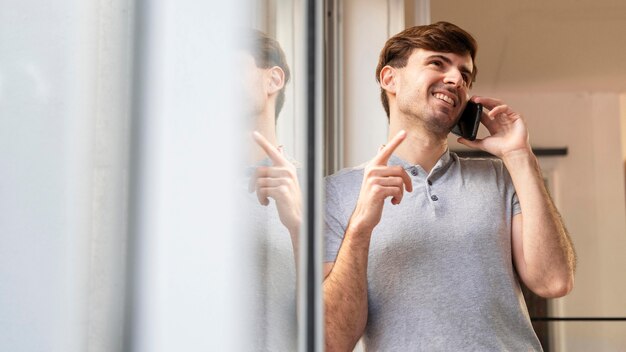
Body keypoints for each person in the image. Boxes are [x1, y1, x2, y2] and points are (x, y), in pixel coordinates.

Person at [323, 21, 576, 351]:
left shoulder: (499, 178)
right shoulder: (337, 192)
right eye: (437, 63)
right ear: (390, 79)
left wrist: (519, 155)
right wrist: (360, 228)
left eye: (465, 75)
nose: (456, 80)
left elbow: (554, 281)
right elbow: (332, 340)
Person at [239, 29, 300, 350]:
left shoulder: (322, 191)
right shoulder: (185, 192)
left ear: (274, 80)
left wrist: (298, 228)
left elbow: (335, 322)